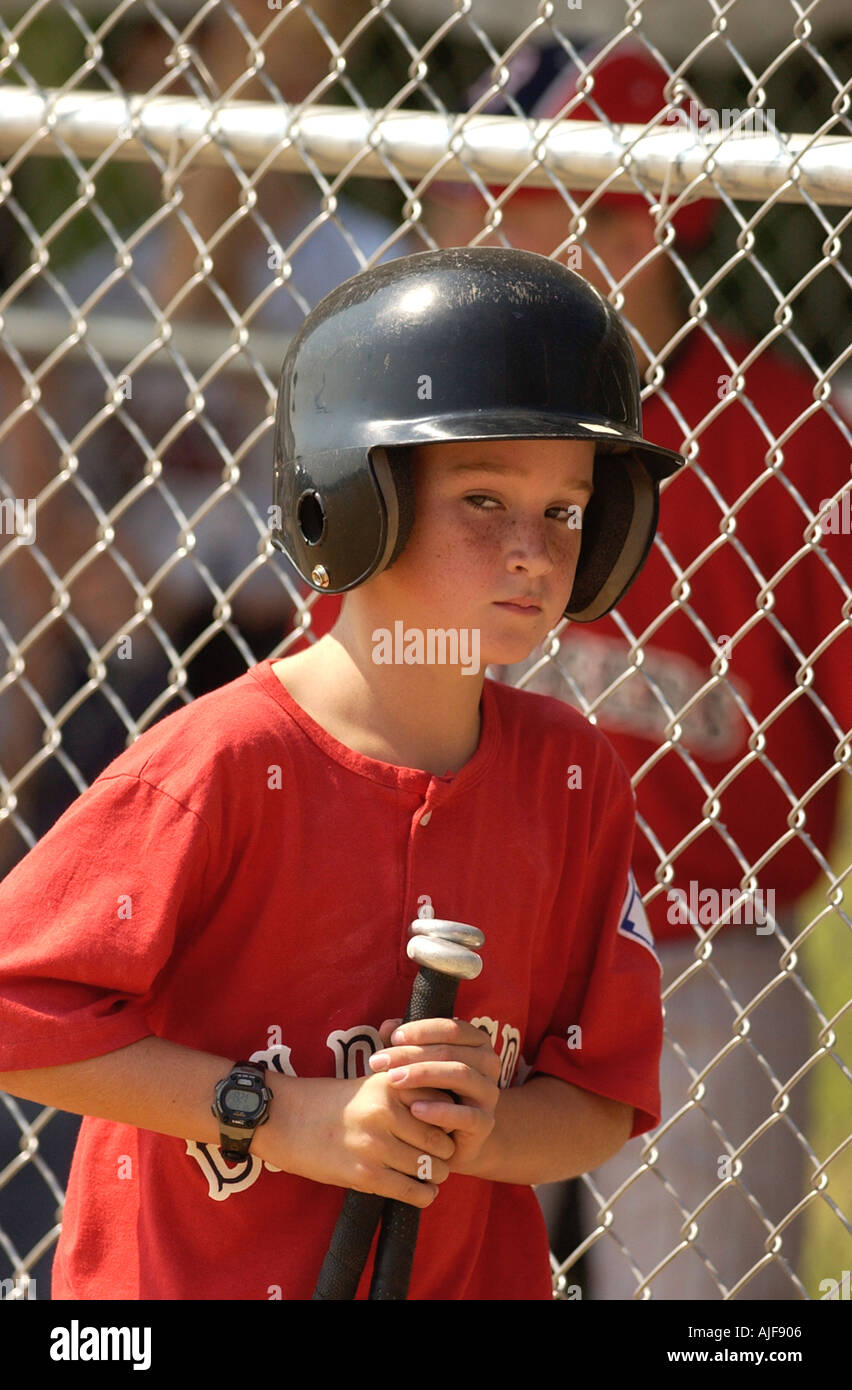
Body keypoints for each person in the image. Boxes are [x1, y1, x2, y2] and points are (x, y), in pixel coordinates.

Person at [0, 246, 681, 1300]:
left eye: (565, 508)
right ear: (352, 497)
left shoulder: (569, 776)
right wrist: (289, 1116)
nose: (533, 552)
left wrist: (479, 1127)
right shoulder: (222, 761)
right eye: (485, 498)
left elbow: (596, 1097)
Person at [424, 38, 852, 1299]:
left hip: (695, 946)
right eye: (460, 215)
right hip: (456, 934)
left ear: (635, 228)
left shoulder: (781, 440)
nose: (469, 256)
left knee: (702, 1306)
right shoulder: (445, 423)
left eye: (512, 216)